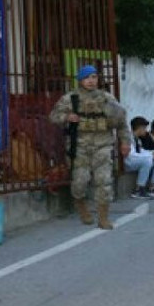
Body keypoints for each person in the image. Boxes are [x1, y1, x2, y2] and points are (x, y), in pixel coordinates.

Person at [49, 65, 127, 229]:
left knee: (104, 181)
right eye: (86, 78)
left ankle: (103, 217)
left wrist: (125, 142)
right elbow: (53, 116)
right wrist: (67, 116)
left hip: (103, 144)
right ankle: (80, 204)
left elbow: (121, 121)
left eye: (94, 77)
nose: (91, 81)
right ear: (80, 80)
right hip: (80, 146)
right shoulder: (71, 98)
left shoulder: (107, 98)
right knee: (80, 182)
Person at [123, 116, 154, 199]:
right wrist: (151, 155)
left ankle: (153, 187)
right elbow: (132, 154)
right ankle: (138, 189)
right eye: (144, 128)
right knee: (147, 160)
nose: (146, 130)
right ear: (139, 128)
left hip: (134, 160)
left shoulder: (138, 139)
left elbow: (141, 151)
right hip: (127, 162)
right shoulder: (128, 138)